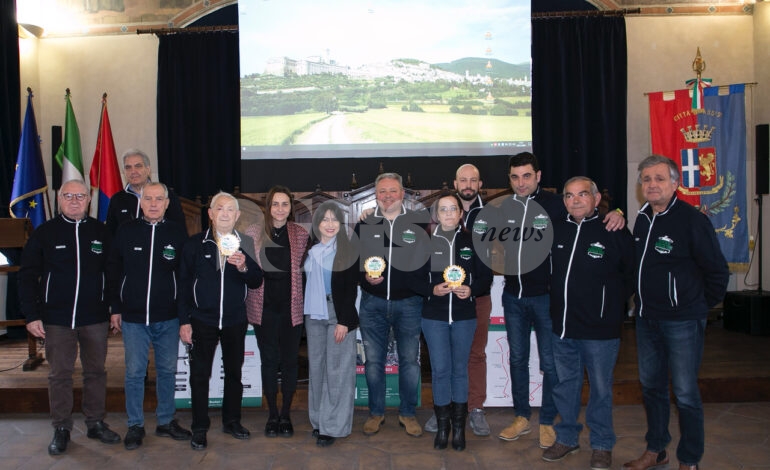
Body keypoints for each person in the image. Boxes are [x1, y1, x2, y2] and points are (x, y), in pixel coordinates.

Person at [497, 152, 625, 448]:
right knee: (517, 359)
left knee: (550, 364)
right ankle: (521, 416)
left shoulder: (558, 205)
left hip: (546, 298)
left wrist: (618, 210)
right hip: (512, 295)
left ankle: (547, 422)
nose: (521, 182)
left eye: (527, 176)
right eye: (515, 177)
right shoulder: (504, 207)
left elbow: (595, 214)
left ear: (538, 176)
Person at [623, 156, 729, 470]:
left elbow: (717, 271)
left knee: (684, 393)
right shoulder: (642, 217)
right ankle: (656, 450)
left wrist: (697, 306)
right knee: (652, 388)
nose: (651, 185)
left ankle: (689, 459)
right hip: (646, 319)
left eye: (658, 178)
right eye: (646, 179)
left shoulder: (692, 220)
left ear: (675, 183)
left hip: (682, 320)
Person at [19, 179, 121, 455]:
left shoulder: (101, 232)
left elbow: (112, 274)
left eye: (80, 195)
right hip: (56, 319)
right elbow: (27, 275)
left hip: (95, 318)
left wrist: (115, 308)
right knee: (60, 375)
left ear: (89, 199)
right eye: (68, 195)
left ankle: (95, 422)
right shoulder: (45, 233)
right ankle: (61, 427)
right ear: (60, 199)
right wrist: (32, 315)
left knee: (96, 373)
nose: (74, 200)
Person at [541, 177, 634, 469]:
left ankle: (602, 444)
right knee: (565, 386)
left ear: (595, 198)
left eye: (582, 194)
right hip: (563, 328)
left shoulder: (613, 229)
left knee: (601, 390)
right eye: (569, 196)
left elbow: (631, 274)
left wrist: (611, 305)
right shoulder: (557, 230)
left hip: (600, 331)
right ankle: (567, 438)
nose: (575, 200)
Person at [106, 182, 192, 450]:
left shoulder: (178, 233)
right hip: (132, 319)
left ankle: (166, 420)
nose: (154, 204)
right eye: (148, 199)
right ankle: (135, 424)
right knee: (134, 373)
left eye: (159, 199)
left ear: (167, 203)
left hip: (168, 318)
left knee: (167, 371)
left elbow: (185, 277)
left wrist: (184, 316)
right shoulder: (125, 231)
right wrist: (115, 308)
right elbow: (113, 270)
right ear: (141, 202)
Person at [178, 192, 263, 450]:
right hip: (202, 320)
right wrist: (184, 321)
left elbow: (257, 281)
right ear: (211, 214)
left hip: (235, 320)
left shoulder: (245, 242)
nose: (225, 214)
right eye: (220, 209)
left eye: (230, 210)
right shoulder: (194, 244)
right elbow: (182, 286)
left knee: (235, 374)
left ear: (237, 216)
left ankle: (232, 421)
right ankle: (200, 427)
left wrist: (244, 266)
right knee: (200, 375)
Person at [354, 172, 430, 438]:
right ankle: (376, 413)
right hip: (372, 304)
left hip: (409, 304)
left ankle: (408, 413)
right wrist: (364, 277)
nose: (387, 196)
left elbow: (427, 264)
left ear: (402, 193)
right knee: (373, 362)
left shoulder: (419, 223)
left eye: (393, 190)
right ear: (376, 194)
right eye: (382, 191)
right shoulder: (365, 224)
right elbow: (352, 262)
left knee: (409, 361)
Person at [418, 192, 492, 451]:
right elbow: (414, 278)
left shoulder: (473, 241)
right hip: (434, 317)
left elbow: (485, 278)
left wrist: (471, 289)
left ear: (461, 213)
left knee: (460, 370)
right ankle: (443, 427)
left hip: (463, 317)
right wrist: (431, 289)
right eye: (443, 209)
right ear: (436, 215)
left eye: (453, 209)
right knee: (440, 371)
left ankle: (459, 430)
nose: (448, 214)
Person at [244, 186, 308, 438]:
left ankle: (286, 415)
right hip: (264, 310)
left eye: (285, 204)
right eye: (275, 204)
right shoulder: (252, 232)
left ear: (291, 208)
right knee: (269, 362)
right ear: (267, 207)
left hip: (291, 309)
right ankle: (272, 415)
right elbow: (248, 270)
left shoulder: (300, 234)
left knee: (290, 363)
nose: (280, 209)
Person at [303, 201, 359, 447]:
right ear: (317, 224)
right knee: (316, 368)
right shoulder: (310, 250)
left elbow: (350, 289)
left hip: (339, 313)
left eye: (334, 219)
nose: (329, 224)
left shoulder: (347, 250)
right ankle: (318, 420)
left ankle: (333, 426)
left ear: (340, 223)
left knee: (338, 371)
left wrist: (345, 321)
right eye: (324, 219)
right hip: (313, 314)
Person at [105, 148, 186, 235]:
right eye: (128, 167)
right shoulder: (117, 199)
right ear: (124, 172)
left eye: (138, 166)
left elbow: (179, 231)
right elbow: (110, 234)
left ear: (148, 169)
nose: (133, 171)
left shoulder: (167, 195)